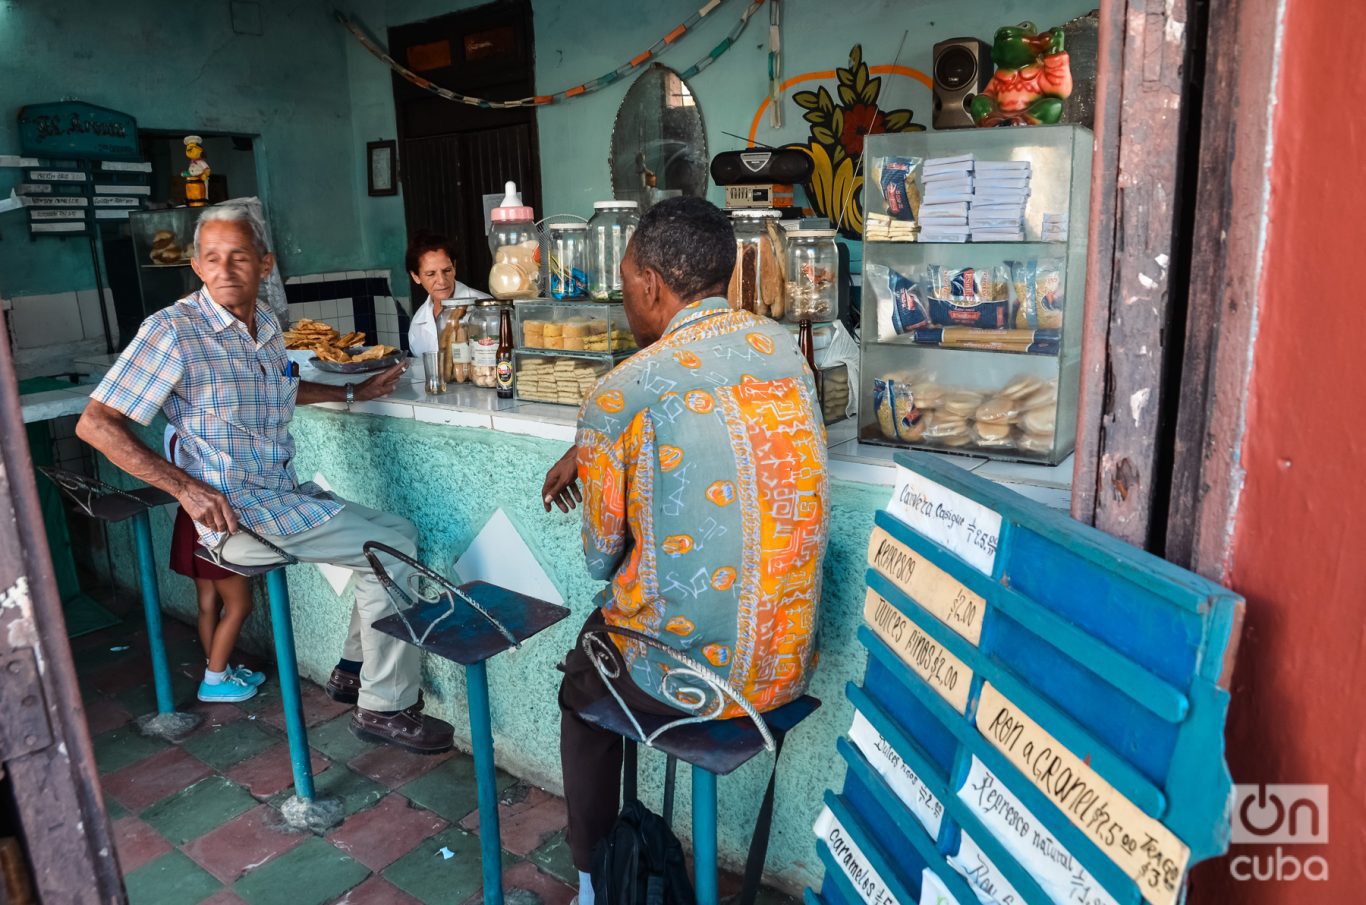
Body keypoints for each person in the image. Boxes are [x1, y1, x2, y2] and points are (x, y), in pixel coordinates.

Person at [77, 202, 455, 753]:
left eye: (239, 257)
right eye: (212, 259)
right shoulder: (174, 331)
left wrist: (354, 392)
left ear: (265, 263)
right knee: (392, 548)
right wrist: (185, 488)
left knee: (393, 531)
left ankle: (353, 669)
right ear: (197, 266)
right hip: (236, 518)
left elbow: (283, 387)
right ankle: (386, 707)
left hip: (279, 496)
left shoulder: (267, 328)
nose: (225, 270)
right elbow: (95, 424)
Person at [542, 197, 830, 903]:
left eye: (626, 280)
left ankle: (589, 881)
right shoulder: (786, 354)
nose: (623, 298)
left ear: (651, 286)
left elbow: (600, 558)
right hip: (785, 664)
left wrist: (604, 452)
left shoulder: (621, 392)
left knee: (583, 676)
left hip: (691, 682)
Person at [162, 426, 262, 702]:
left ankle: (218, 670)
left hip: (191, 519)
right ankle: (215, 679)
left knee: (208, 603)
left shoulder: (172, 429)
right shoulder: (203, 428)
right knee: (239, 605)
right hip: (215, 521)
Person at [404, 230, 491, 358]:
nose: (442, 281)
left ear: (454, 267)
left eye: (447, 270)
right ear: (416, 277)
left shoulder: (486, 307)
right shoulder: (418, 322)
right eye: (430, 274)